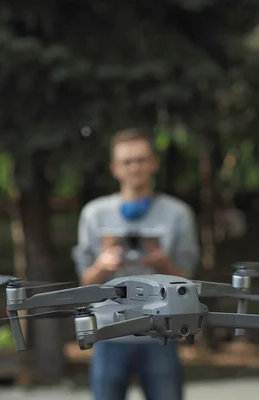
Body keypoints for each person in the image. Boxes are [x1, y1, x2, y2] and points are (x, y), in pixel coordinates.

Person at [72, 128, 200, 400]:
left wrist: (163, 263)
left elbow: (188, 281)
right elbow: (85, 282)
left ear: (154, 162)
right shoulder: (95, 214)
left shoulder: (178, 214)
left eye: (141, 159)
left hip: (160, 332)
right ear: (115, 168)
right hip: (109, 331)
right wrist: (103, 266)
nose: (135, 167)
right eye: (127, 161)